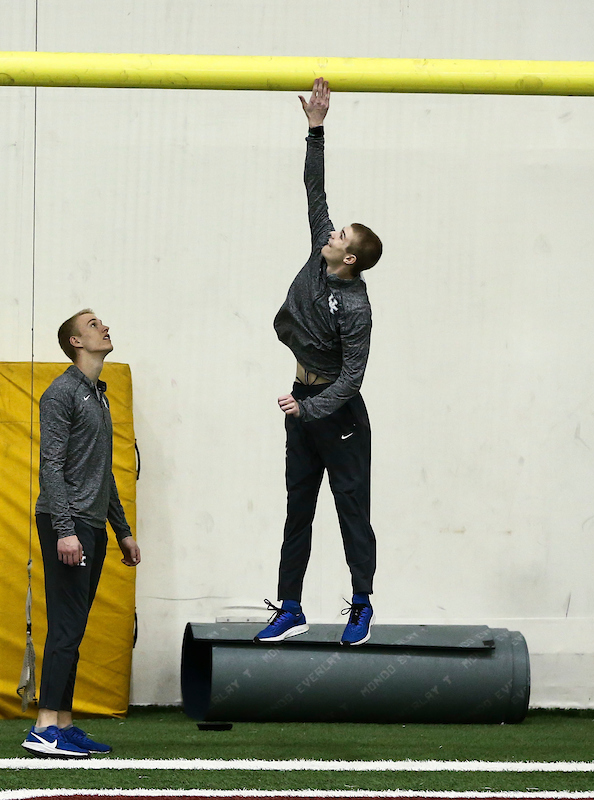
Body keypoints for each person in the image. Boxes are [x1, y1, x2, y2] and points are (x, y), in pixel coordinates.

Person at [256, 78, 384, 647]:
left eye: (340, 234)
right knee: (297, 508)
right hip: (301, 399)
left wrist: (309, 411)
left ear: (350, 256)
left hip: (338, 410)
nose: (330, 231)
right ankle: (290, 605)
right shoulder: (317, 254)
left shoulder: (356, 307)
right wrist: (316, 127)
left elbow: (354, 377)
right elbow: (315, 189)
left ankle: (361, 603)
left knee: (351, 509)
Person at [22, 310, 142, 759]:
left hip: (91, 524)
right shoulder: (61, 393)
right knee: (66, 628)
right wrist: (64, 530)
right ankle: (43, 725)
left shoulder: (99, 396)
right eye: (94, 325)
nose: (105, 327)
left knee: (74, 628)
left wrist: (123, 531)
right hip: (65, 523)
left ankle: (65, 724)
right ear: (75, 341)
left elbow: (102, 472)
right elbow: (50, 466)